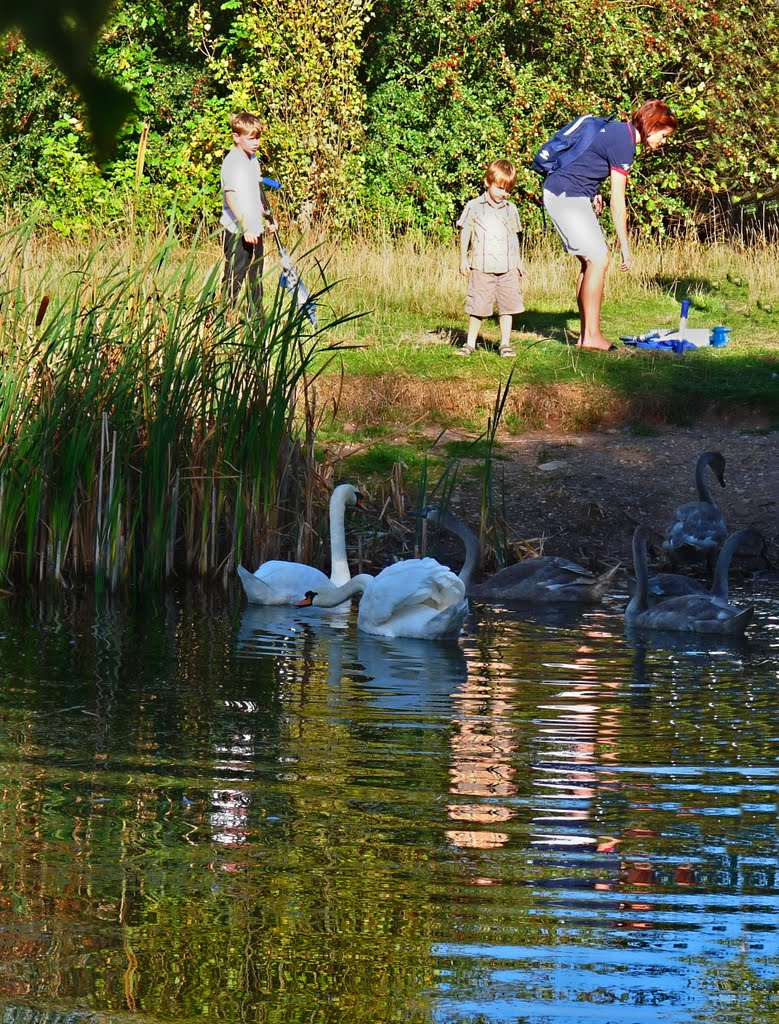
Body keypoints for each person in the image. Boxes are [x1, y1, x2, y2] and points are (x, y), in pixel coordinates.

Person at [543, 99, 677, 351]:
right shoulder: (625, 144)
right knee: (599, 259)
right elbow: (618, 201)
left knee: (590, 261)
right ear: (652, 125)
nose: (664, 141)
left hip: (569, 193)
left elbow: (588, 159)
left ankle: (586, 336)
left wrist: (592, 190)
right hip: (565, 194)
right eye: (664, 134)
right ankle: (592, 336)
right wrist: (625, 245)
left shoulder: (618, 131)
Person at [456, 159, 527, 357]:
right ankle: (470, 344)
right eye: (499, 188)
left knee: (507, 307)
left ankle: (505, 344)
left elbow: (514, 236)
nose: (503, 194)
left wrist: (518, 262)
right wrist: (463, 259)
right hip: (481, 265)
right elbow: (466, 232)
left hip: (507, 266)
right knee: (478, 307)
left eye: (507, 190)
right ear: (488, 182)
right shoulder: (474, 206)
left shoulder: (511, 209)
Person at [220, 111, 277, 310]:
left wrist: (267, 217)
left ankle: (257, 321)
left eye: (258, 137)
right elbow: (231, 197)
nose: (256, 143)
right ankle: (221, 320)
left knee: (256, 277)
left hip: (255, 228)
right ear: (236, 137)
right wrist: (245, 228)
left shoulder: (252, 159)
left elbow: (255, 191)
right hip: (238, 231)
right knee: (234, 277)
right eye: (251, 138)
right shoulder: (232, 162)